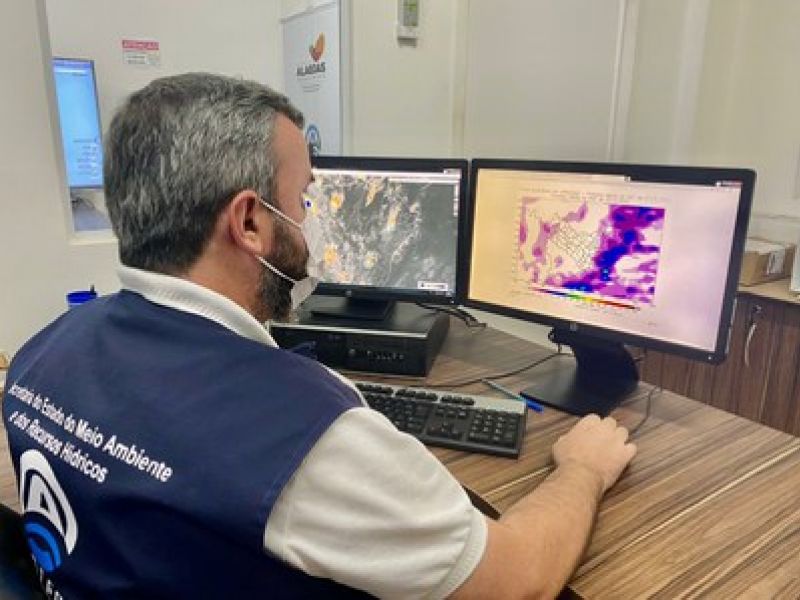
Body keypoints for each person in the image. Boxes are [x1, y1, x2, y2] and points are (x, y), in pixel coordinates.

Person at [3, 73, 636, 599]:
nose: (312, 224)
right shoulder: (305, 434)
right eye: (305, 199)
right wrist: (583, 471)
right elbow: (518, 580)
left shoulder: (42, 350)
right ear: (250, 222)